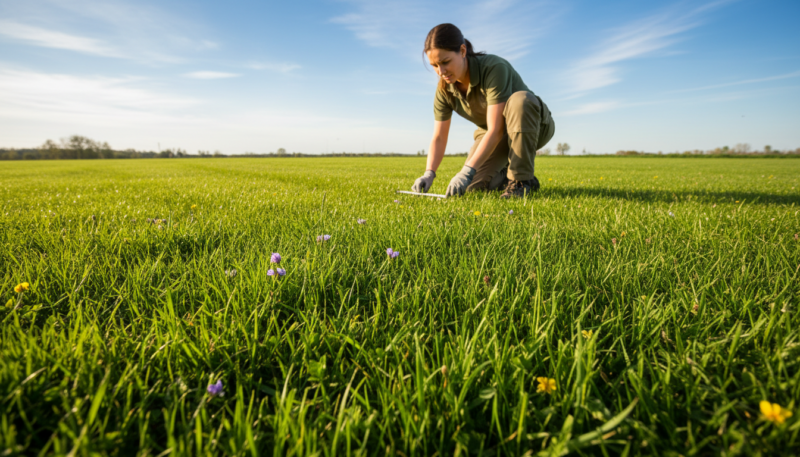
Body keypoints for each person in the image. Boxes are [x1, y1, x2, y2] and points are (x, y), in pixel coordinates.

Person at [411, 23, 555, 198]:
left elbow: (496, 129)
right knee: (473, 186)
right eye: (434, 65)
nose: (441, 71)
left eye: (445, 62)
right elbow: (439, 137)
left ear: (463, 51)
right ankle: (517, 178)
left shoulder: (493, 68)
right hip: (496, 134)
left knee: (520, 100)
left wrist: (465, 171)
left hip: (532, 125)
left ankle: (521, 181)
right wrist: (429, 172)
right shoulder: (444, 90)